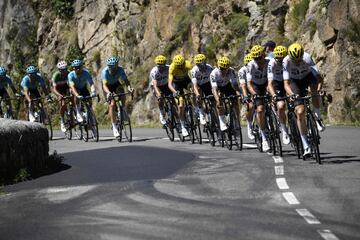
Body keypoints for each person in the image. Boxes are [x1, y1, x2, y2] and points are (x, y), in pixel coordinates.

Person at [283, 43, 325, 157]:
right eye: (294, 60)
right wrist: (292, 94)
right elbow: (286, 84)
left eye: (299, 59)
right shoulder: (286, 61)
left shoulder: (307, 57)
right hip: (294, 82)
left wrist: (320, 89)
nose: (297, 62)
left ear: (302, 55)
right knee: (300, 111)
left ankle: (318, 117)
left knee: (314, 90)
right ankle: (306, 145)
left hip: (307, 77)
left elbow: (319, 78)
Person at [102, 56, 134, 137]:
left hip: (116, 84)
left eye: (114, 67)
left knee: (122, 94)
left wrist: (130, 88)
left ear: (117, 66)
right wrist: (109, 93)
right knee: (112, 104)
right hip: (107, 87)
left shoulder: (120, 69)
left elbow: (126, 81)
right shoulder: (105, 72)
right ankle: (114, 127)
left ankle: (122, 109)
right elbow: (104, 85)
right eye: (110, 67)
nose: (112, 69)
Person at [247, 45, 271, 152]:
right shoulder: (251, 65)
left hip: (266, 84)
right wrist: (254, 93)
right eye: (255, 58)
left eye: (259, 57)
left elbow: (273, 79)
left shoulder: (269, 62)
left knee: (277, 102)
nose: (258, 60)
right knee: (260, 109)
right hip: (255, 86)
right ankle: (264, 137)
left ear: (263, 55)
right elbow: (249, 83)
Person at [210, 56, 241, 131]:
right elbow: (214, 89)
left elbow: (235, 85)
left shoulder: (231, 71)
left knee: (235, 101)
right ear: (218, 67)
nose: (224, 70)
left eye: (226, 68)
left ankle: (237, 120)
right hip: (218, 88)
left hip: (228, 86)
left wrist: (240, 93)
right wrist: (217, 100)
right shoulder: (213, 73)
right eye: (222, 69)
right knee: (219, 103)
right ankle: (222, 121)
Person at [267, 45, 290, 145]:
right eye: (278, 59)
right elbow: (270, 83)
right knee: (281, 106)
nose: (281, 61)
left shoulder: (289, 61)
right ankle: (284, 129)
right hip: (277, 83)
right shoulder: (271, 64)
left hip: (289, 81)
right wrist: (274, 95)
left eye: (283, 58)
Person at [168, 54, 193, 137]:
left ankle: (196, 109)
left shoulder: (188, 64)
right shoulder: (172, 67)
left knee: (195, 91)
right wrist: (175, 92)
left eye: (182, 65)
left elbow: (193, 76)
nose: (180, 67)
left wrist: (194, 87)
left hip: (186, 81)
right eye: (178, 66)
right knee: (181, 106)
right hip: (177, 84)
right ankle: (183, 126)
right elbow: (170, 84)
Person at [191, 54, 213, 125]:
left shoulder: (209, 68)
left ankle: (212, 113)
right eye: (199, 65)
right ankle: (201, 113)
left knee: (213, 100)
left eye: (203, 64)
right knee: (198, 94)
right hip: (199, 85)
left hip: (207, 84)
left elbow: (213, 82)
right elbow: (194, 85)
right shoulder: (194, 70)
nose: (202, 66)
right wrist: (197, 95)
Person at [150, 55, 171, 125]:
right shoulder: (154, 71)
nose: (161, 67)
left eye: (163, 66)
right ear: (156, 65)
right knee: (160, 97)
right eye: (159, 66)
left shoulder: (169, 68)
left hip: (165, 84)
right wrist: (158, 94)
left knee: (172, 99)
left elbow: (173, 79)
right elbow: (155, 86)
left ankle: (173, 112)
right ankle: (162, 113)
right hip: (157, 86)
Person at [50, 61, 71, 132]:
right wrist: (59, 95)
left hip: (65, 87)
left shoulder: (69, 73)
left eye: (65, 69)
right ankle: (62, 120)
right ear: (59, 70)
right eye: (62, 70)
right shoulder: (56, 75)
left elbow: (71, 85)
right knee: (62, 104)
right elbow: (54, 89)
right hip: (58, 89)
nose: (64, 71)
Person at [238, 53, 255, 140]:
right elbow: (243, 85)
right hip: (245, 88)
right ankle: (250, 125)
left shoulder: (255, 67)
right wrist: (245, 96)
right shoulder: (242, 71)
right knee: (251, 106)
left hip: (254, 86)